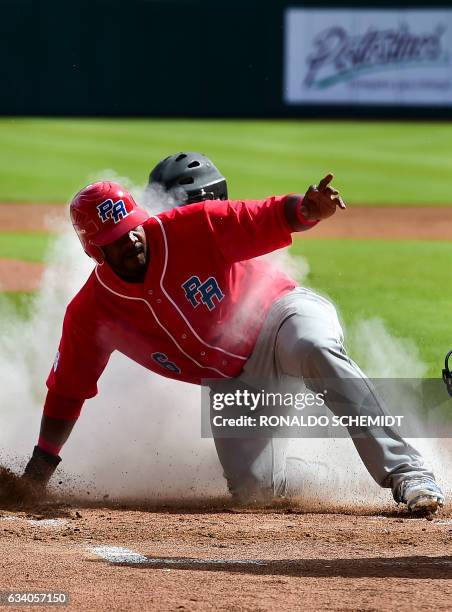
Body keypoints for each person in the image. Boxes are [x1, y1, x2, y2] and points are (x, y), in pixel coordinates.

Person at [23, 152, 444, 514]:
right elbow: (67, 390)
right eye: (115, 238)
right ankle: (339, 478)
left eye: (132, 225)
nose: (131, 238)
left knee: (315, 347)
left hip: (279, 317)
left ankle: (410, 474)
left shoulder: (191, 225)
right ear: (95, 249)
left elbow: (260, 216)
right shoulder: (92, 312)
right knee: (255, 491)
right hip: (235, 379)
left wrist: (307, 210)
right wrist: (38, 472)